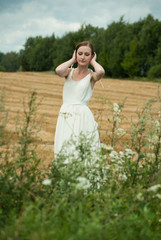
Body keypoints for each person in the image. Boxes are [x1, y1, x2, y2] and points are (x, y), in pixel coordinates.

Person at [54, 41, 105, 158]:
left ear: (92, 56)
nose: (83, 57)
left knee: (81, 149)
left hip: (82, 117)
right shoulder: (68, 72)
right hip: (65, 114)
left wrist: (93, 61)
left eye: (87, 54)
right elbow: (58, 70)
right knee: (64, 147)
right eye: (80, 53)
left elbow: (101, 71)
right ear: (75, 54)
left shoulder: (92, 76)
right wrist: (72, 60)